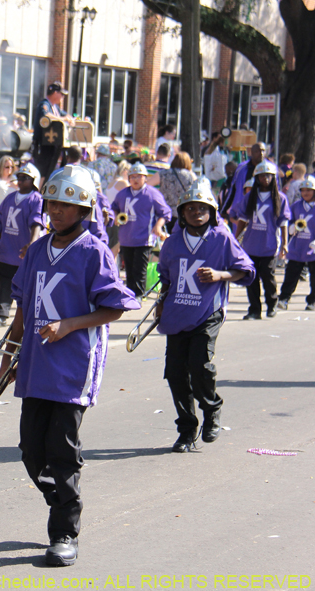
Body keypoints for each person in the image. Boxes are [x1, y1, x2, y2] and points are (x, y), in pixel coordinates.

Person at [0, 165, 139, 567]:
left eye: (66, 204)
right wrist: (11, 349)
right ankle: (62, 498)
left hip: (74, 365)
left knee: (61, 449)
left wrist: (69, 325)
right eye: (52, 203)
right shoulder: (38, 249)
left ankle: (64, 532)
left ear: (83, 209)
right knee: (30, 451)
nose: (56, 210)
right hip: (35, 362)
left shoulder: (93, 250)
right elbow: (23, 303)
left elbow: (114, 307)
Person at [156, 180, 254, 453]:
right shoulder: (172, 243)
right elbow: (166, 278)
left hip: (207, 313)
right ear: (182, 213)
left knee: (200, 367)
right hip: (176, 314)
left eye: (202, 208)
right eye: (190, 209)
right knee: (176, 375)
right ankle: (187, 430)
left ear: (211, 211)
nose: (196, 213)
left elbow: (245, 269)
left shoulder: (221, 238)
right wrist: (160, 302)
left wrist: (221, 275)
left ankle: (212, 408)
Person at [231, 160, 290, 319]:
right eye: (262, 175)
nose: (265, 178)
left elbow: (283, 222)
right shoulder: (250, 197)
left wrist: (285, 243)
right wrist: (235, 239)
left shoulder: (280, 198)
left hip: (269, 245)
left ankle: (272, 305)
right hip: (251, 245)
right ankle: (254, 310)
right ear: (256, 177)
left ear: (274, 178)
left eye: (269, 175)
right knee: (251, 279)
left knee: (268, 278)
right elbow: (242, 219)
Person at [0, 163, 43, 328]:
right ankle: (1, 315)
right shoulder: (9, 198)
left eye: (25, 178)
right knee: (5, 283)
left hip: (23, 251)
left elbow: (36, 224)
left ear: (33, 180)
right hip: (6, 249)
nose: (20, 181)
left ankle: (27, 318)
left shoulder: (36, 199)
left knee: (26, 287)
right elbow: (0, 222)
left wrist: (32, 244)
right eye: (19, 177)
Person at [111, 162, 171, 299]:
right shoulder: (123, 194)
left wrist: (158, 226)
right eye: (132, 177)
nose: (135, 180)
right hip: (126, 238)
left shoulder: (152, 194)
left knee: (139, 269)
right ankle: (130, 294)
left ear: (145, 177)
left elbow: (165, 213)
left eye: (139, 176)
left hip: (144, 238)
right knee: (129, 270)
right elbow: (113, 207)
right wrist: (115, 216)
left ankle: (138, 295)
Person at [279, 177, 315, 311]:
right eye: (303, 190)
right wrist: (291, 228)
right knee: (291, 273)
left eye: (309, 190)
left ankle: (313, 300)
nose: (306, 193)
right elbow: (288, 219)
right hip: (298, 246)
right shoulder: (296, 205)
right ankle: (284, 298)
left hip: (314, 247)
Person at [32, 82, 71, 181]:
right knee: (43, 172)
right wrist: (63, 119)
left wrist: (71, 119)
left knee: (51, 170)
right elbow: (45, 115)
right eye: (61, 94)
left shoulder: (55, 107)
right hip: (43, 145)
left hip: (54, 145)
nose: (63, 97)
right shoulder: (44, 104)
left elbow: (66, 116)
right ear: (54, 93)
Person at [147, 151, 197, 227]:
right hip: (184, 213)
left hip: (165, 212)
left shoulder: (163, 173)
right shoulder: (190, 175)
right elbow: (197, 190)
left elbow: (147, 185)